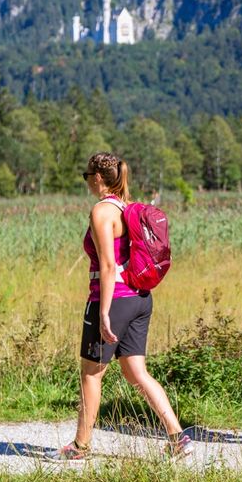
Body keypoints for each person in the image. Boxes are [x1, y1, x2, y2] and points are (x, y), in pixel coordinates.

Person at [47, 152, 193, 460]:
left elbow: (108, 265)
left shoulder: (102, 211)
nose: (86, 182)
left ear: (98, 178)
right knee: (136, 372)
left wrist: (103, 312)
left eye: (87, 176)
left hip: (115, 300)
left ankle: (80, 446)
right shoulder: (125, 207)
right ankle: (177, 436)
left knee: (91, 373)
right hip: (139, 299)